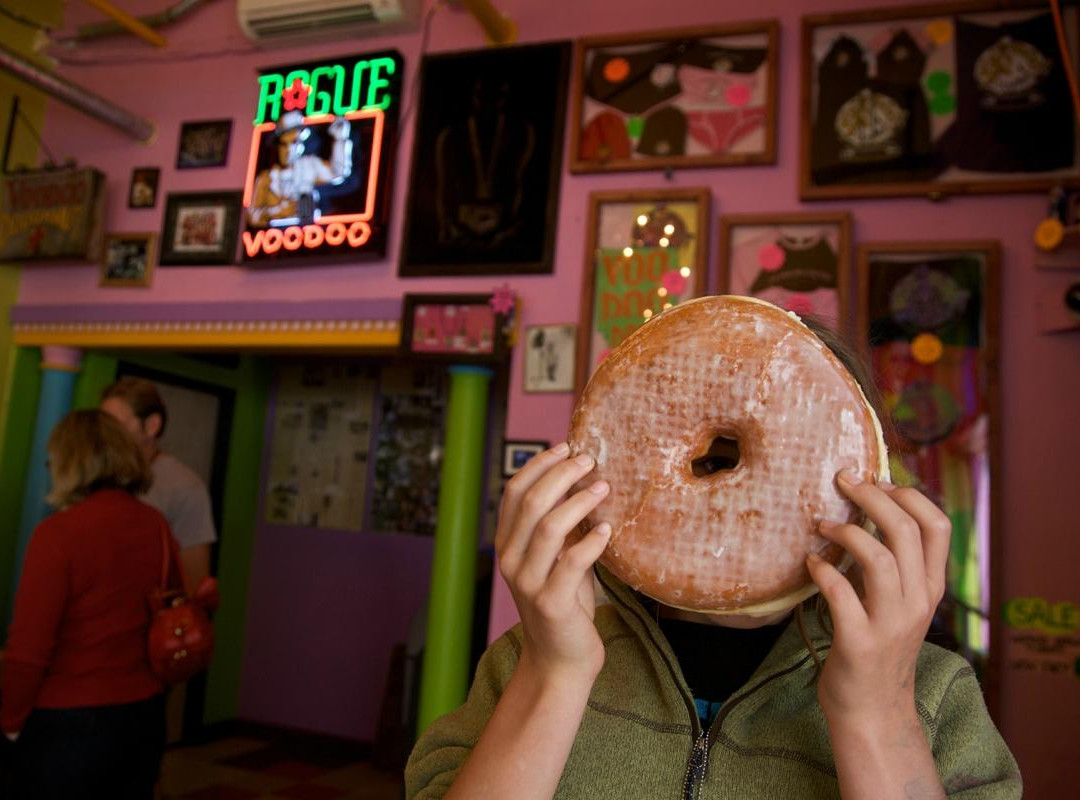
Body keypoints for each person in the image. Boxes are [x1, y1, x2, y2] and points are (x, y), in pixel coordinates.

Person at [404, 319, 1021, 799]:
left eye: (739, 461)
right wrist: (552, 677)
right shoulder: (530, 656)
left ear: (871, 483)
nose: (734, 509)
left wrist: (878, 711)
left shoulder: (934, 696)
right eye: (713, 461)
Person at [1, 409, 183, 798]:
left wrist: (10, 722)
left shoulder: (57, 534)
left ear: (68, 463)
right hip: (143, 715)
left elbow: (28, 650)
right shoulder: (156, 525)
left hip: (68, 723)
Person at [101, 377, 216, 592]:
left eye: (117, 426)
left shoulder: (184, 487)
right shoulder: (98, 474)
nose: (106, 436)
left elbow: (194, 581)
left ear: (152, 425)